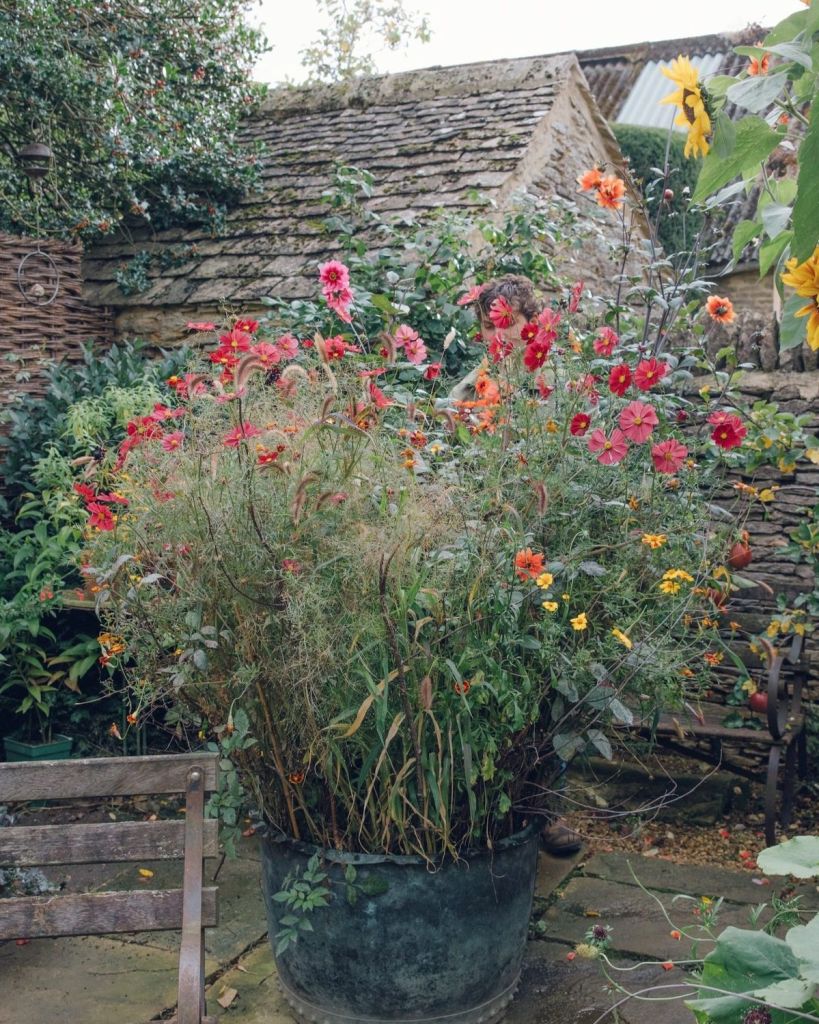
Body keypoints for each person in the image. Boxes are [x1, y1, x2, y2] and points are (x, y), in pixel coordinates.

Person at [447, 274, 582, 856]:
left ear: (533, 324)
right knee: (489, 676)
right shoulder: (470, 387)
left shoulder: (555, 382)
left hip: (546, 542)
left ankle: (546, 810)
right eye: (489, 328)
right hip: (487, 544)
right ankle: (490, 812)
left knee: (544, 675)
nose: (498, 338)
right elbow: (451, 448)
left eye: (509, 326)